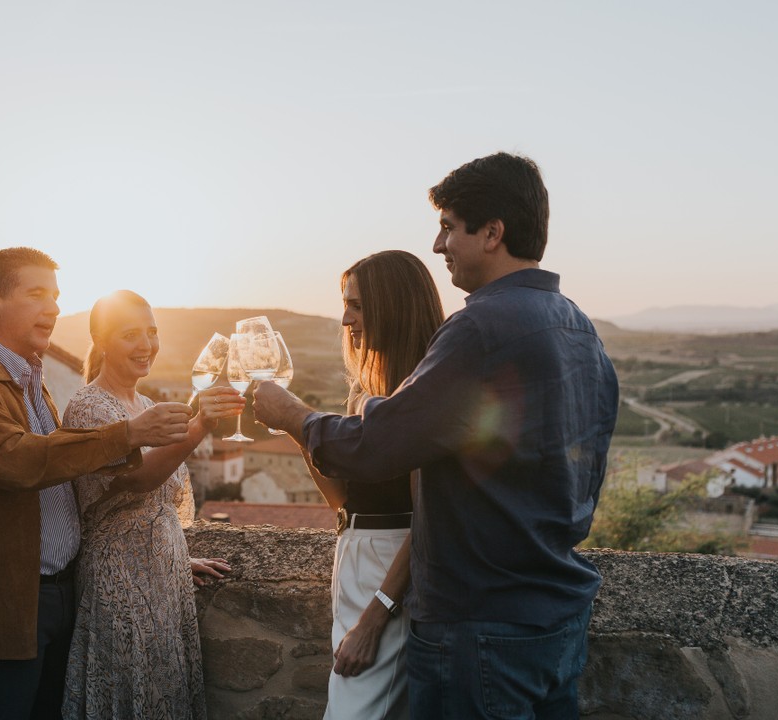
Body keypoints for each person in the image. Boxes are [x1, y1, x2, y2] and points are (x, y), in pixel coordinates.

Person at [254, 153, 619, 719]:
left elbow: (378, 447)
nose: (437, 244)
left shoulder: (481, 328)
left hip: (479, 622)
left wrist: (293, 415)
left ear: (492, 233)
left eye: (449, 227)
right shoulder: (578, 327)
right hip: (556, 615)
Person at [0, 247, 193, 720]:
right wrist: (128, 434)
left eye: (56, 297)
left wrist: (163, 553)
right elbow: (17, 462)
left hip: (60, 597)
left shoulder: (29, 378)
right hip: (2, 606)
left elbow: (82, 491)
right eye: (37, 294)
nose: (53, 308)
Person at [60, 290, 244, 720]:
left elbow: (154, 507)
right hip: (118, 584)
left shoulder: (146, 405)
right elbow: (139, 480)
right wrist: (201, 424)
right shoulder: (88, 407)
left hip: (163, 581)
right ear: (101, 341)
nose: (146, 345)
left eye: (152, 332)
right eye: (130, 335)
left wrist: (175, 556)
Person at [301, 250, 443, 720]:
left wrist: (374, 618)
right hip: (353, 559)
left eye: (357, 306)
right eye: (346, 305)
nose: (346, 319)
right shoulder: (365, 390)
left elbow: (426, 522)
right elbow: (342, 501)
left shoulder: (419, 394)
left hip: (390, 572)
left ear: (393, 306)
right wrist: (298, 432)